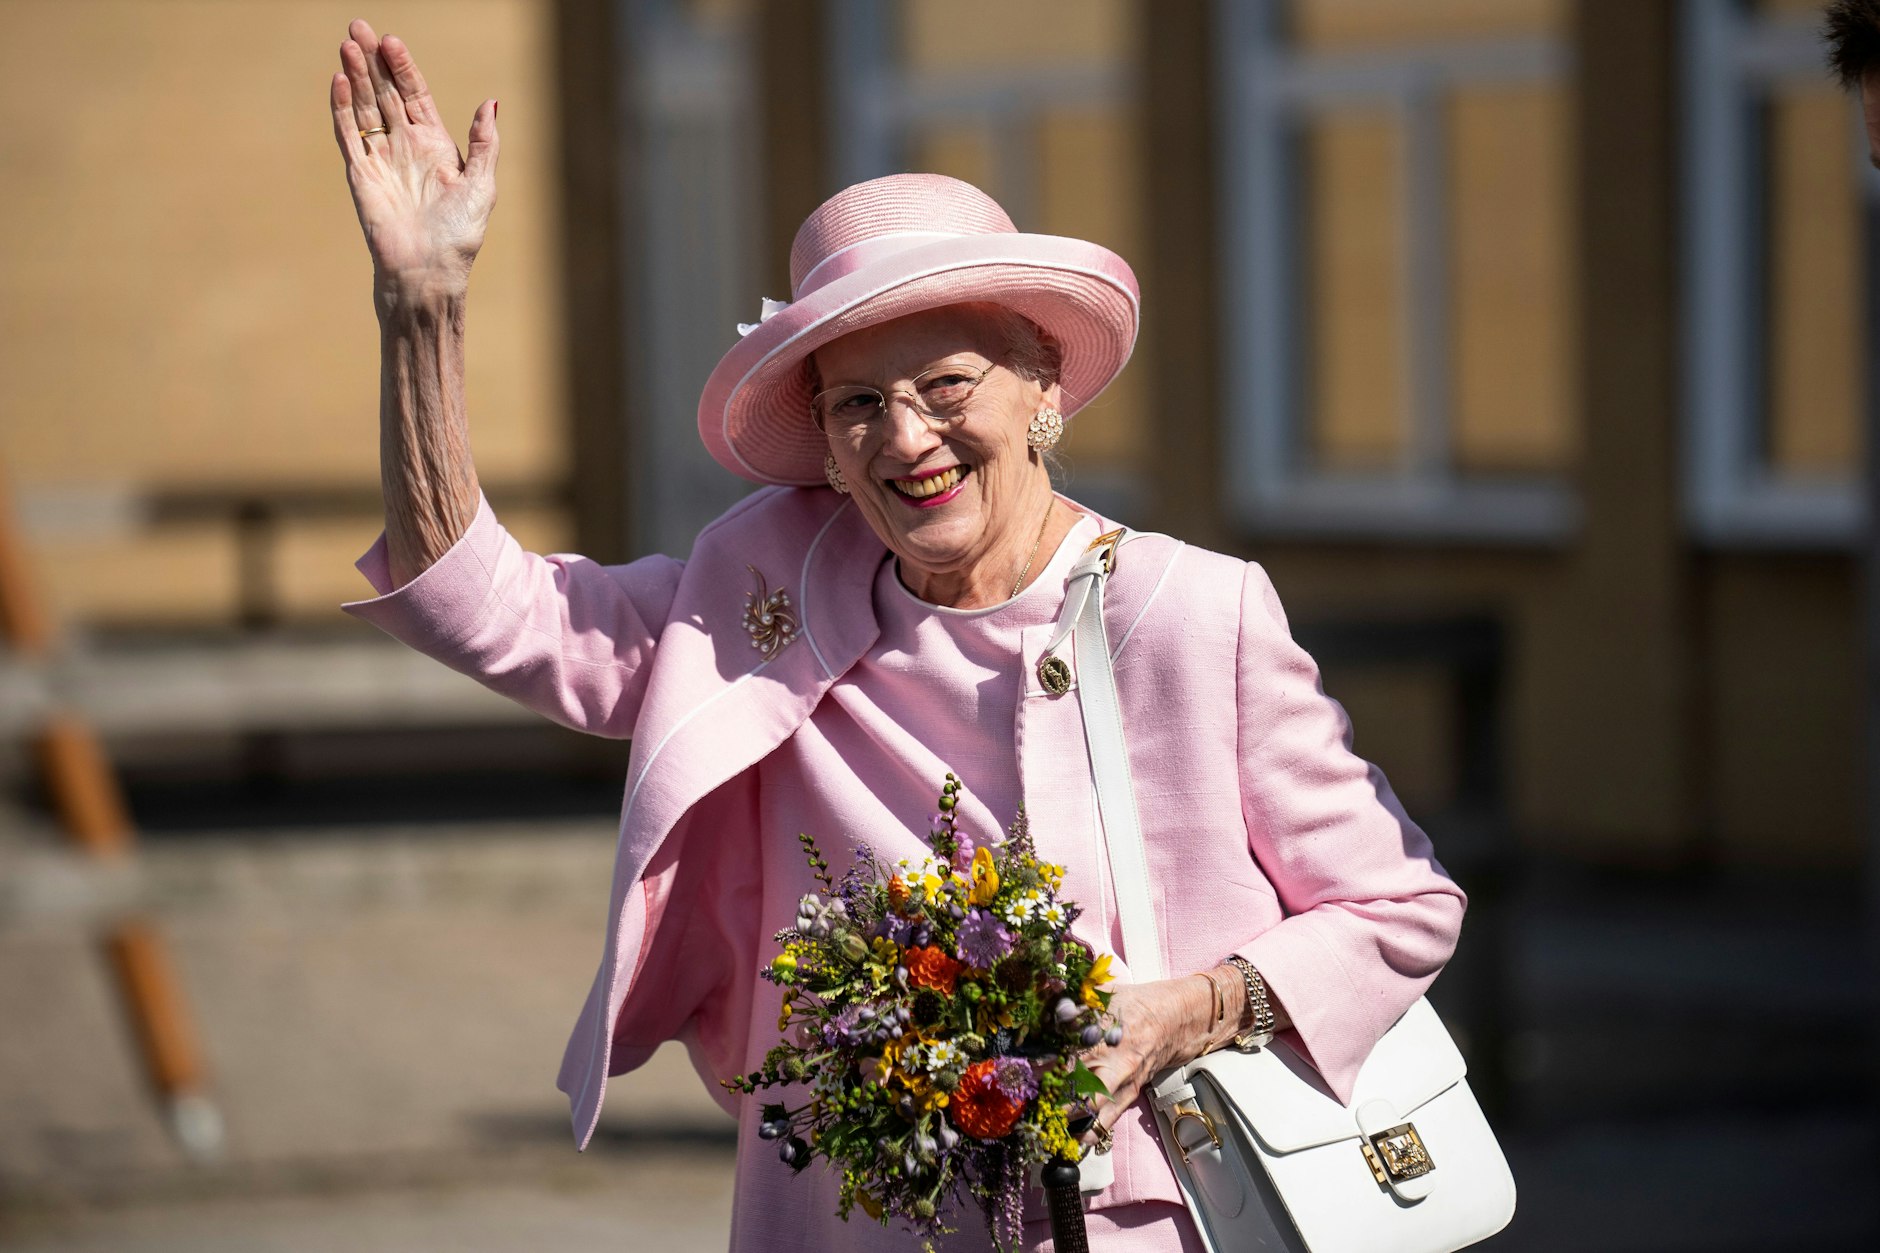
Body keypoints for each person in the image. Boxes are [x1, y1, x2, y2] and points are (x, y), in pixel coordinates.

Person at [328, 19, 1465, 1251]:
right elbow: (482, 606)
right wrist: (420, 312)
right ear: (821, 439)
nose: (905, 439)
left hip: (1140, 1218)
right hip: (846, 1217)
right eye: (858, 404)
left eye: (946, 386)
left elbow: (1397, 908)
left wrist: (1187, 1009)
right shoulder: (755, 589)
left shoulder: (1189, 611)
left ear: (1042, 386)